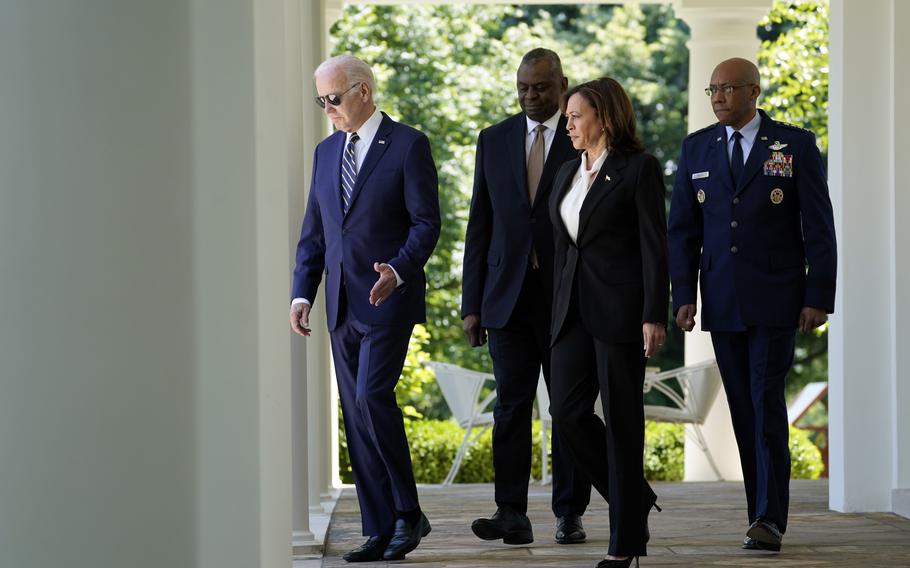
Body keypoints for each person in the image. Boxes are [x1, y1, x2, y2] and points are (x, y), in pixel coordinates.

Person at [668, 57, 837, 552]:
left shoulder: (794, 145)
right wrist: (684, 296)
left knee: (765, 404)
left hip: (778, 300)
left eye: (727, 89)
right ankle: (757, 513)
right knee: (742, 409)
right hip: (722, 302)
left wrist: (818, 296)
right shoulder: (696, 147)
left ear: (754, 92)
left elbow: (819, 227)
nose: (718, 97)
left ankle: (769, 519)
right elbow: (682, 232)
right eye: (712, 90)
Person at [290, 55, 440, 563]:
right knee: (355, 414)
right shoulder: (325, 152)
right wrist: (301, 293)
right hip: (340, 305)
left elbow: (426, 223)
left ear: (364, 91)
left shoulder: (408, 146)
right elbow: (316, 233)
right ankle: (380, 528)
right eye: (322, 100)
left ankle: (409, 512)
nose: (328, 108)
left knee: (373, 397)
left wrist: (397, 270)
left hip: (387, 296)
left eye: (334, 98)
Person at [461, 48, 592, 546]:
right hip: (506, 298)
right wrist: (472, 303)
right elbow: (480, 225)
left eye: (540, 87)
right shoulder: (492, 140)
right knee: (511, 408)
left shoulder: (582, 134)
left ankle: (569, 513)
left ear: (563, 85)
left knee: (568, 409)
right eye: (523, 88)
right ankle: (510, 511)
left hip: (566, 299)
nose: (531, 96)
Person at [548, 77, 669, 568]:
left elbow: (653, 247)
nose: (568, 124)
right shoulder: (565, 174)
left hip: (620, 313)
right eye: (568, 116)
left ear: (604, 116)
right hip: (570, 313)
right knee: (568, 413)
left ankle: (625, 544)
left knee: (622, 422)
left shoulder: (638, 169)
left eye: (576, 115)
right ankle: (633, 495)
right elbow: (563, 249)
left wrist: (653, 314)